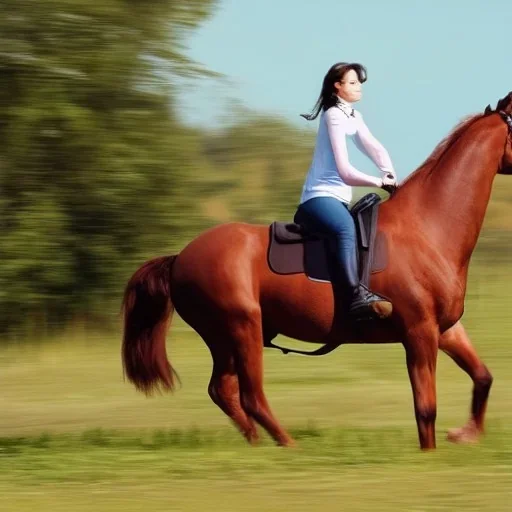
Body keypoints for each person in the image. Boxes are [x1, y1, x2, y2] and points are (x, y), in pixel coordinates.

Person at [295, 61, 397, 320]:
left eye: (359, 82)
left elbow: (374, 147)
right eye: (352, 83)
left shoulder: (353, 115)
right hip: (318, 198)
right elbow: (345, 171)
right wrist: (379, 182)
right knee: (344, 229)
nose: (358, 87)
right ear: (337, 87)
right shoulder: (333, 115)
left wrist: (391, 175)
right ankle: (355, 297)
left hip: (338, 200)